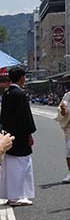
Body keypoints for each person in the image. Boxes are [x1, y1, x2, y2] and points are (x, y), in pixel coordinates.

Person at [0, 67, 36, 206]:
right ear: (22, 77)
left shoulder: (7, 93)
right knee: (21, 165)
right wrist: (29, 133)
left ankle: (11, 195)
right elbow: (25, 117)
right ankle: (17, 196)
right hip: (20, 136)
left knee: (9, 166)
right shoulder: (20, 94)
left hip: (8, 134)